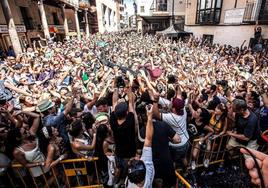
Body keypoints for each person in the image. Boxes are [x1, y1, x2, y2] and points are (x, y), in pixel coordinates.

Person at [127, 104, 155, 188]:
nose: (136, 158)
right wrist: (149, 117)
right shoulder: (147, 165)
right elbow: (148, 139)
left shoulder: (131, 186)